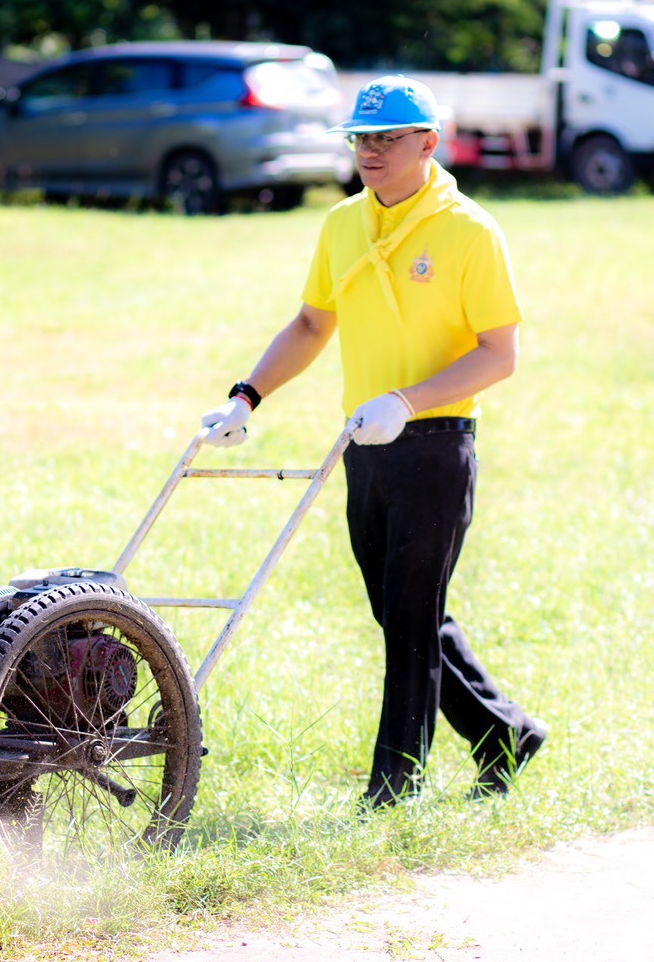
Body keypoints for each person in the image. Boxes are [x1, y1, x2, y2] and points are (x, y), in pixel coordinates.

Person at [201, 75, 546, 808]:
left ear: (429, 142)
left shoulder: (470, 231)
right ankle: (504, 733)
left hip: (437, 441)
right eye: (360, 137)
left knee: (411, 614)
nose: (370, 150)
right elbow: (310, 325)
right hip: (366, 444)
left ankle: (395, 785)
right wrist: (246, 395)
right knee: (400, 610)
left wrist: (407, 401)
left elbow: (500, 353)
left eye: (388, 137)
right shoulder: (341, 224)